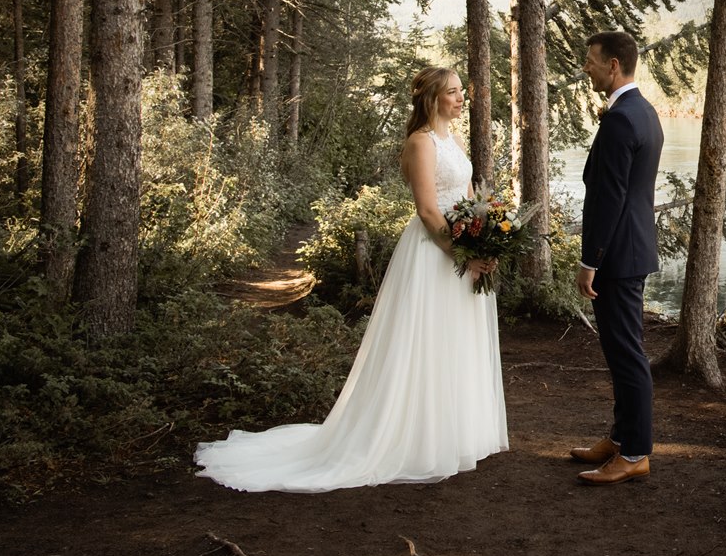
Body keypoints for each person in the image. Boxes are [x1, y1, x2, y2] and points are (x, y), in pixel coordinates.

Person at [194, 67, 508, 492]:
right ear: (432, 98)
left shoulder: (452, 139)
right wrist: (463, 254)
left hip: (464, 249)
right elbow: (428, 210)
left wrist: (485, 239)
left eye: (459, 92)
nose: (460, 99)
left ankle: (454, 432)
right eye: (452, 93)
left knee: (456, 338)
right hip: (435, 252)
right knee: (426, 340)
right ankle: (414, 439)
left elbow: (469, 198)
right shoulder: (421, 142)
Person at [570, 31, 663, 486]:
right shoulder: (644, 111)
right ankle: (622, 438)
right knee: (621, 350)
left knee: (627, 354)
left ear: (613, 66)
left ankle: (636, 454)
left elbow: (610, 198)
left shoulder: (622, 119)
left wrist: (591, 260)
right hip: (634, 247)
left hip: (619, 255)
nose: (585, 67)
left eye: (590, 61)